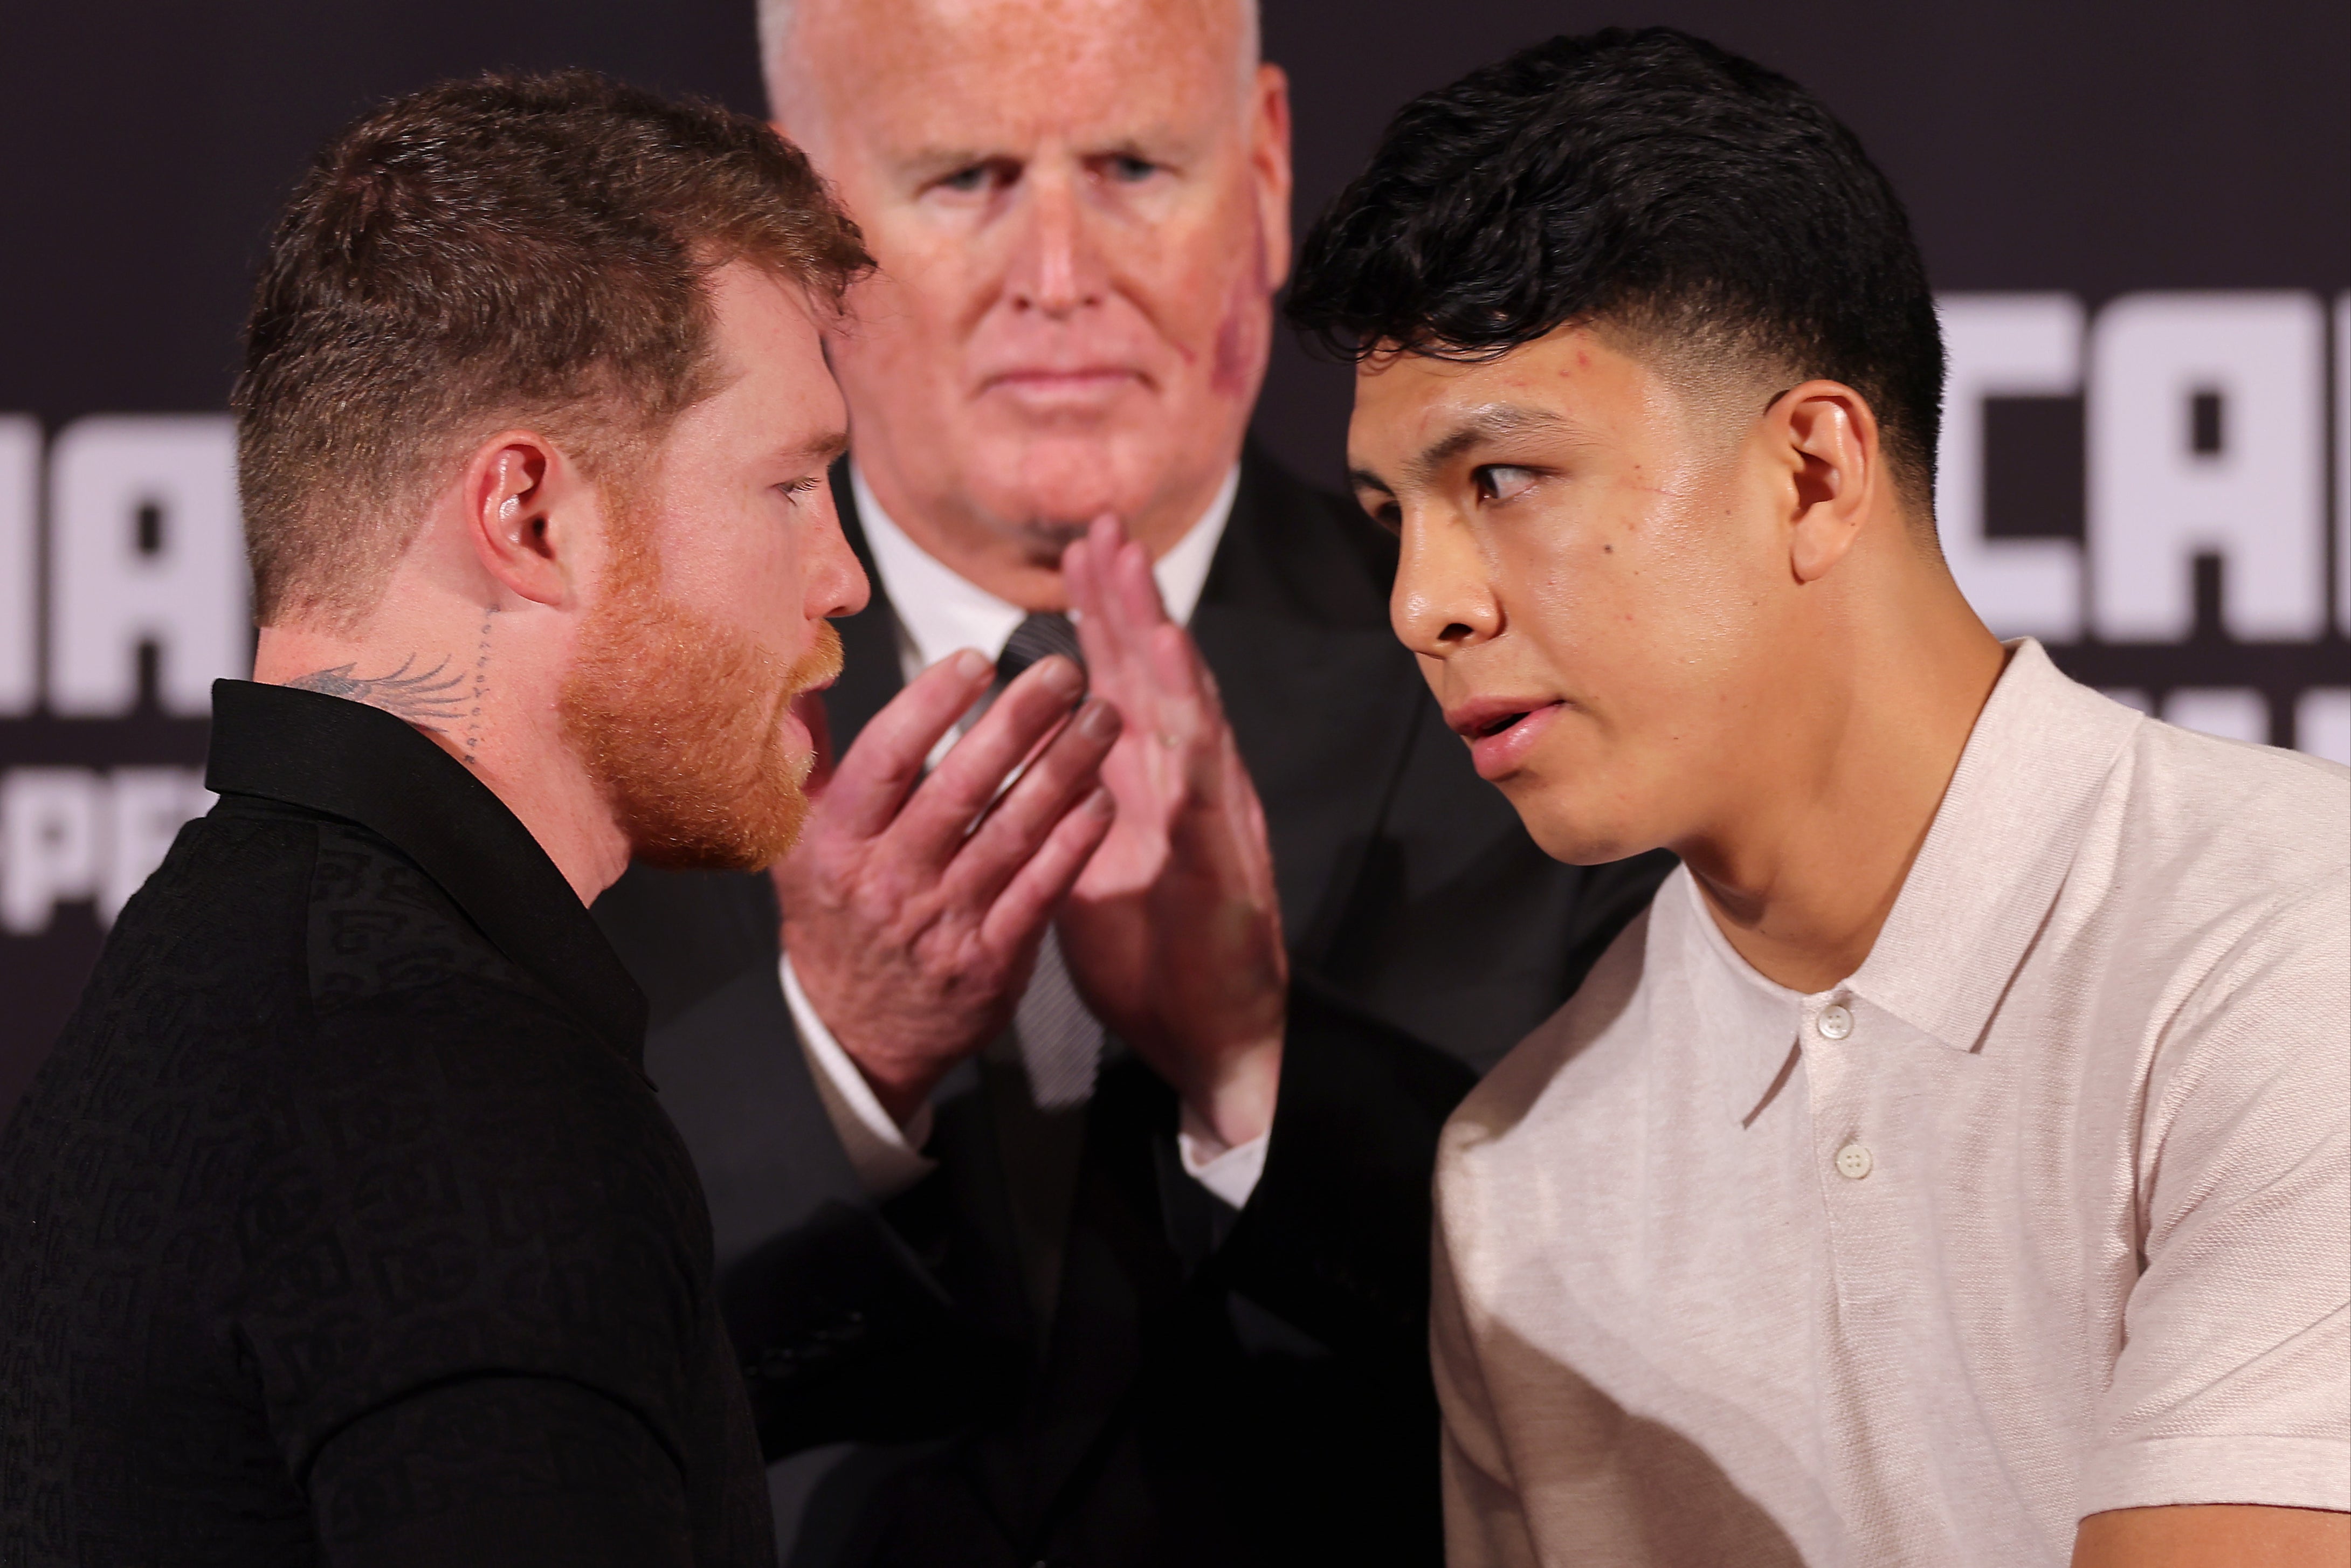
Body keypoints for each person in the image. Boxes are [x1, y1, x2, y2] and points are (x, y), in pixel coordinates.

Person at [0, 71, 1133, 1567]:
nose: (842, 581)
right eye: (791, 485)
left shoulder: (222, 969)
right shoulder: (440, 1086)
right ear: (528, 515)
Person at [586, 0, 1671, 1562]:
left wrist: (1257, 1065)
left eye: (1131, 167)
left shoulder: (1551, 690)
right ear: (788, 221)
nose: (1059, 274)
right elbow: (478, 1350)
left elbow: (1671, 1365)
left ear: (1264, 165)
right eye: (964, 179)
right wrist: (829, 1054)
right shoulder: (596, 731)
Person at [1287, 26, 2351, 1568]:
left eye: (1500, 481)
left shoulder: (2289, 948)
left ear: (1811, 472)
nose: (1420, 603)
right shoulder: (1516, 1180)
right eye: (1393, 516)